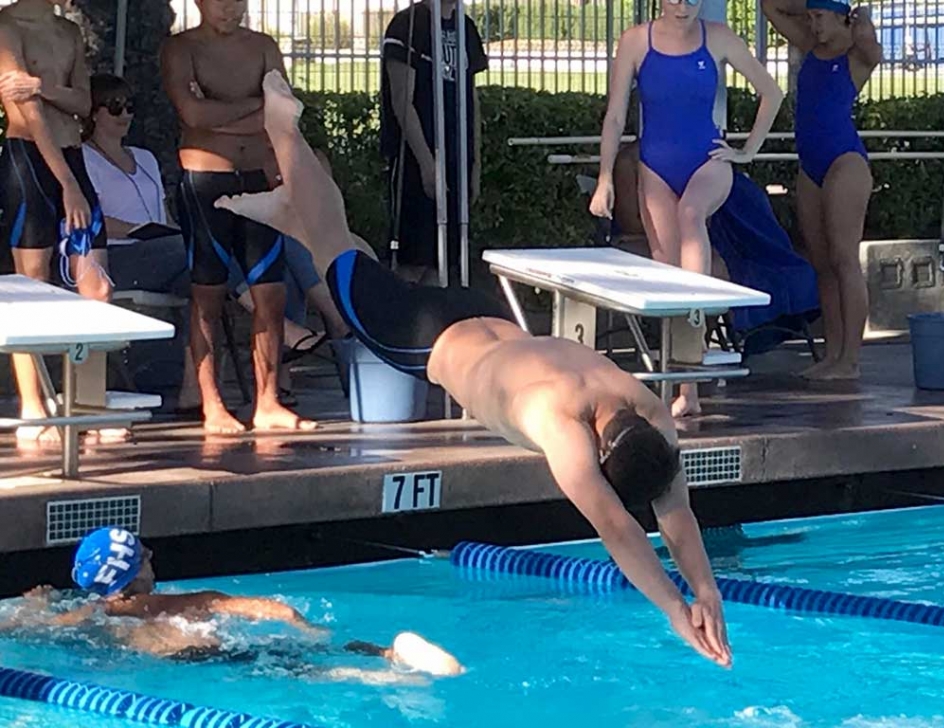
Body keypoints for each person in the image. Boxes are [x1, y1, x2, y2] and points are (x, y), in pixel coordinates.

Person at [217, 71, 732, 668]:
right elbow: (619, 529)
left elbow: (674, 507)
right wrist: (675, 608)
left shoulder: (641, 402)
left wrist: (707, 589)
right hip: (416, 341)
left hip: (475, 310)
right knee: (334, 245)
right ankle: (286, 134)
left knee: (347, 253)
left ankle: (289, 209)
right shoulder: (559, 426)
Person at [589, 0, 783, 417]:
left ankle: (700, 320)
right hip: (655, 167)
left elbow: (771, 91)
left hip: (709, 161)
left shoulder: (718, 38)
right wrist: (605, 179)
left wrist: (747, 151)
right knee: (667, 272)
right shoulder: (636, 42)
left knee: (691, 215)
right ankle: (685, 389)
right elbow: (616, 115)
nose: (684, 6)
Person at [3, 527, 463, 678]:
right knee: (296, 659)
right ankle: (384, 656)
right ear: (132, 572)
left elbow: (19, 627)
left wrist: (35, 604)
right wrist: (305, 626)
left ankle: (374, 674)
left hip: (176, 661)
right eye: (143, 554)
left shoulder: (83, 616)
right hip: (201, 647)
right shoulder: (187, 603)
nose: (152, 555)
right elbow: (272, 610)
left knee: (286, 670)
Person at [161, 0, 321, 434]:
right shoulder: (182, 48)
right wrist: (256, 112)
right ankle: (211, 402)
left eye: (239, 1)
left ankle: (267, 400)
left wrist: (223, 118)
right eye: (221, 1)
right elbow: (191, 115)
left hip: (258, 181)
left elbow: (285, 111)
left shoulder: (263, 46)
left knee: (271, 293)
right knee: (208, 293)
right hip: (206, 181)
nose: (231, 9)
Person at [0, 0, 111, 446]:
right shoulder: (5, 25)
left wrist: (42, 86)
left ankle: (86, 404)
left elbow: (83, 102)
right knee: (32, 283)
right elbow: (23, 107)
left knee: (97, 286)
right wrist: (67, 183)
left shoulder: (67, 32)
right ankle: (33, 403)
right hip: (29, 159)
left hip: (72, 159)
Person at [762, 0, 881, 380]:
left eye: (818, 17)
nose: (811, 24)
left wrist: (862, 23)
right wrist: (810, 2)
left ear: (839, 16)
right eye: (810, 17)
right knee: (822, 265)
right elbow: (770, 6)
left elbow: (873, 50)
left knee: (845, 259)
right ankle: (832, 354)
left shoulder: (855, 54)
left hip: (845, 161)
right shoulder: (809, 45)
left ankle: (851, 358)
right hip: (810, 165)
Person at [81, 73, 202, 417]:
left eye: (130, 106)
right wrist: (138, 229)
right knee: (200, 256)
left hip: (164, 252)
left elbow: (164, 214)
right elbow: (92, 223)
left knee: (207, 268)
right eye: (114, 106)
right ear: (93, 112)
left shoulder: (145, 158)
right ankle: (273, 324)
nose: (125, 114)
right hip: (117, 255)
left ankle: (191, 385)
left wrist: (169, 232)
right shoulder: (84, 159)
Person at [380, 0, 488, 284]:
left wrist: (474, 163)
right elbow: (402, 101)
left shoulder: (465, 27)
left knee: (442, 263)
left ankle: (432, 325)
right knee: (413, 259)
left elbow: (471, 100)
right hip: (417, 160)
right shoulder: (408, 25)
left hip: (457, 155)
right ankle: (399, 323)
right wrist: (428, 165)